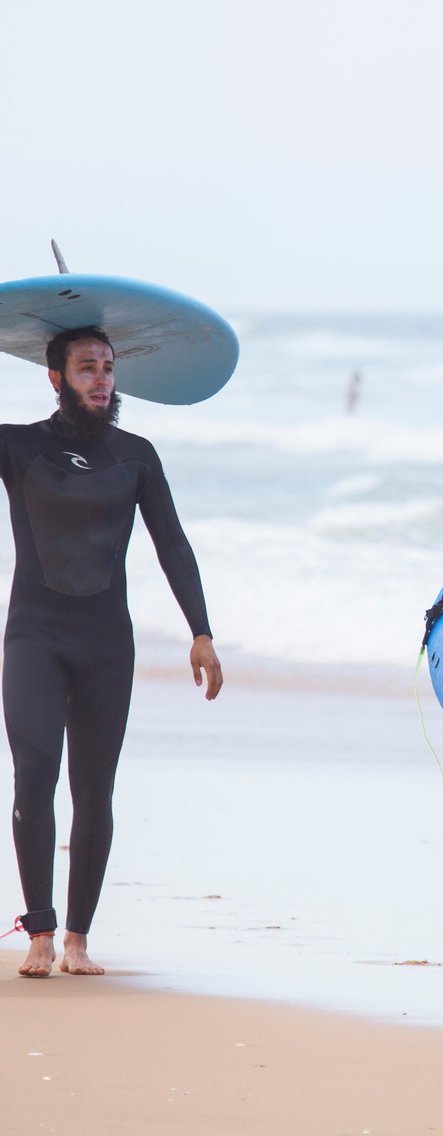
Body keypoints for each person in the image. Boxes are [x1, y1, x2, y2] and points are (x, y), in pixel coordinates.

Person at [1, 326, 223, 978]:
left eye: (107, 367)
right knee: (34, 777)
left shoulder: (137, 455)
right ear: (55, 378)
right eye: (85, 368)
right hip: (35, 637)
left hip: (105, 644)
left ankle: (77, 940)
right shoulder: (16, 445)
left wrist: (202, 632)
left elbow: (173, 546)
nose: (101, 379)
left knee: (95, 791)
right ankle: (39, 934)